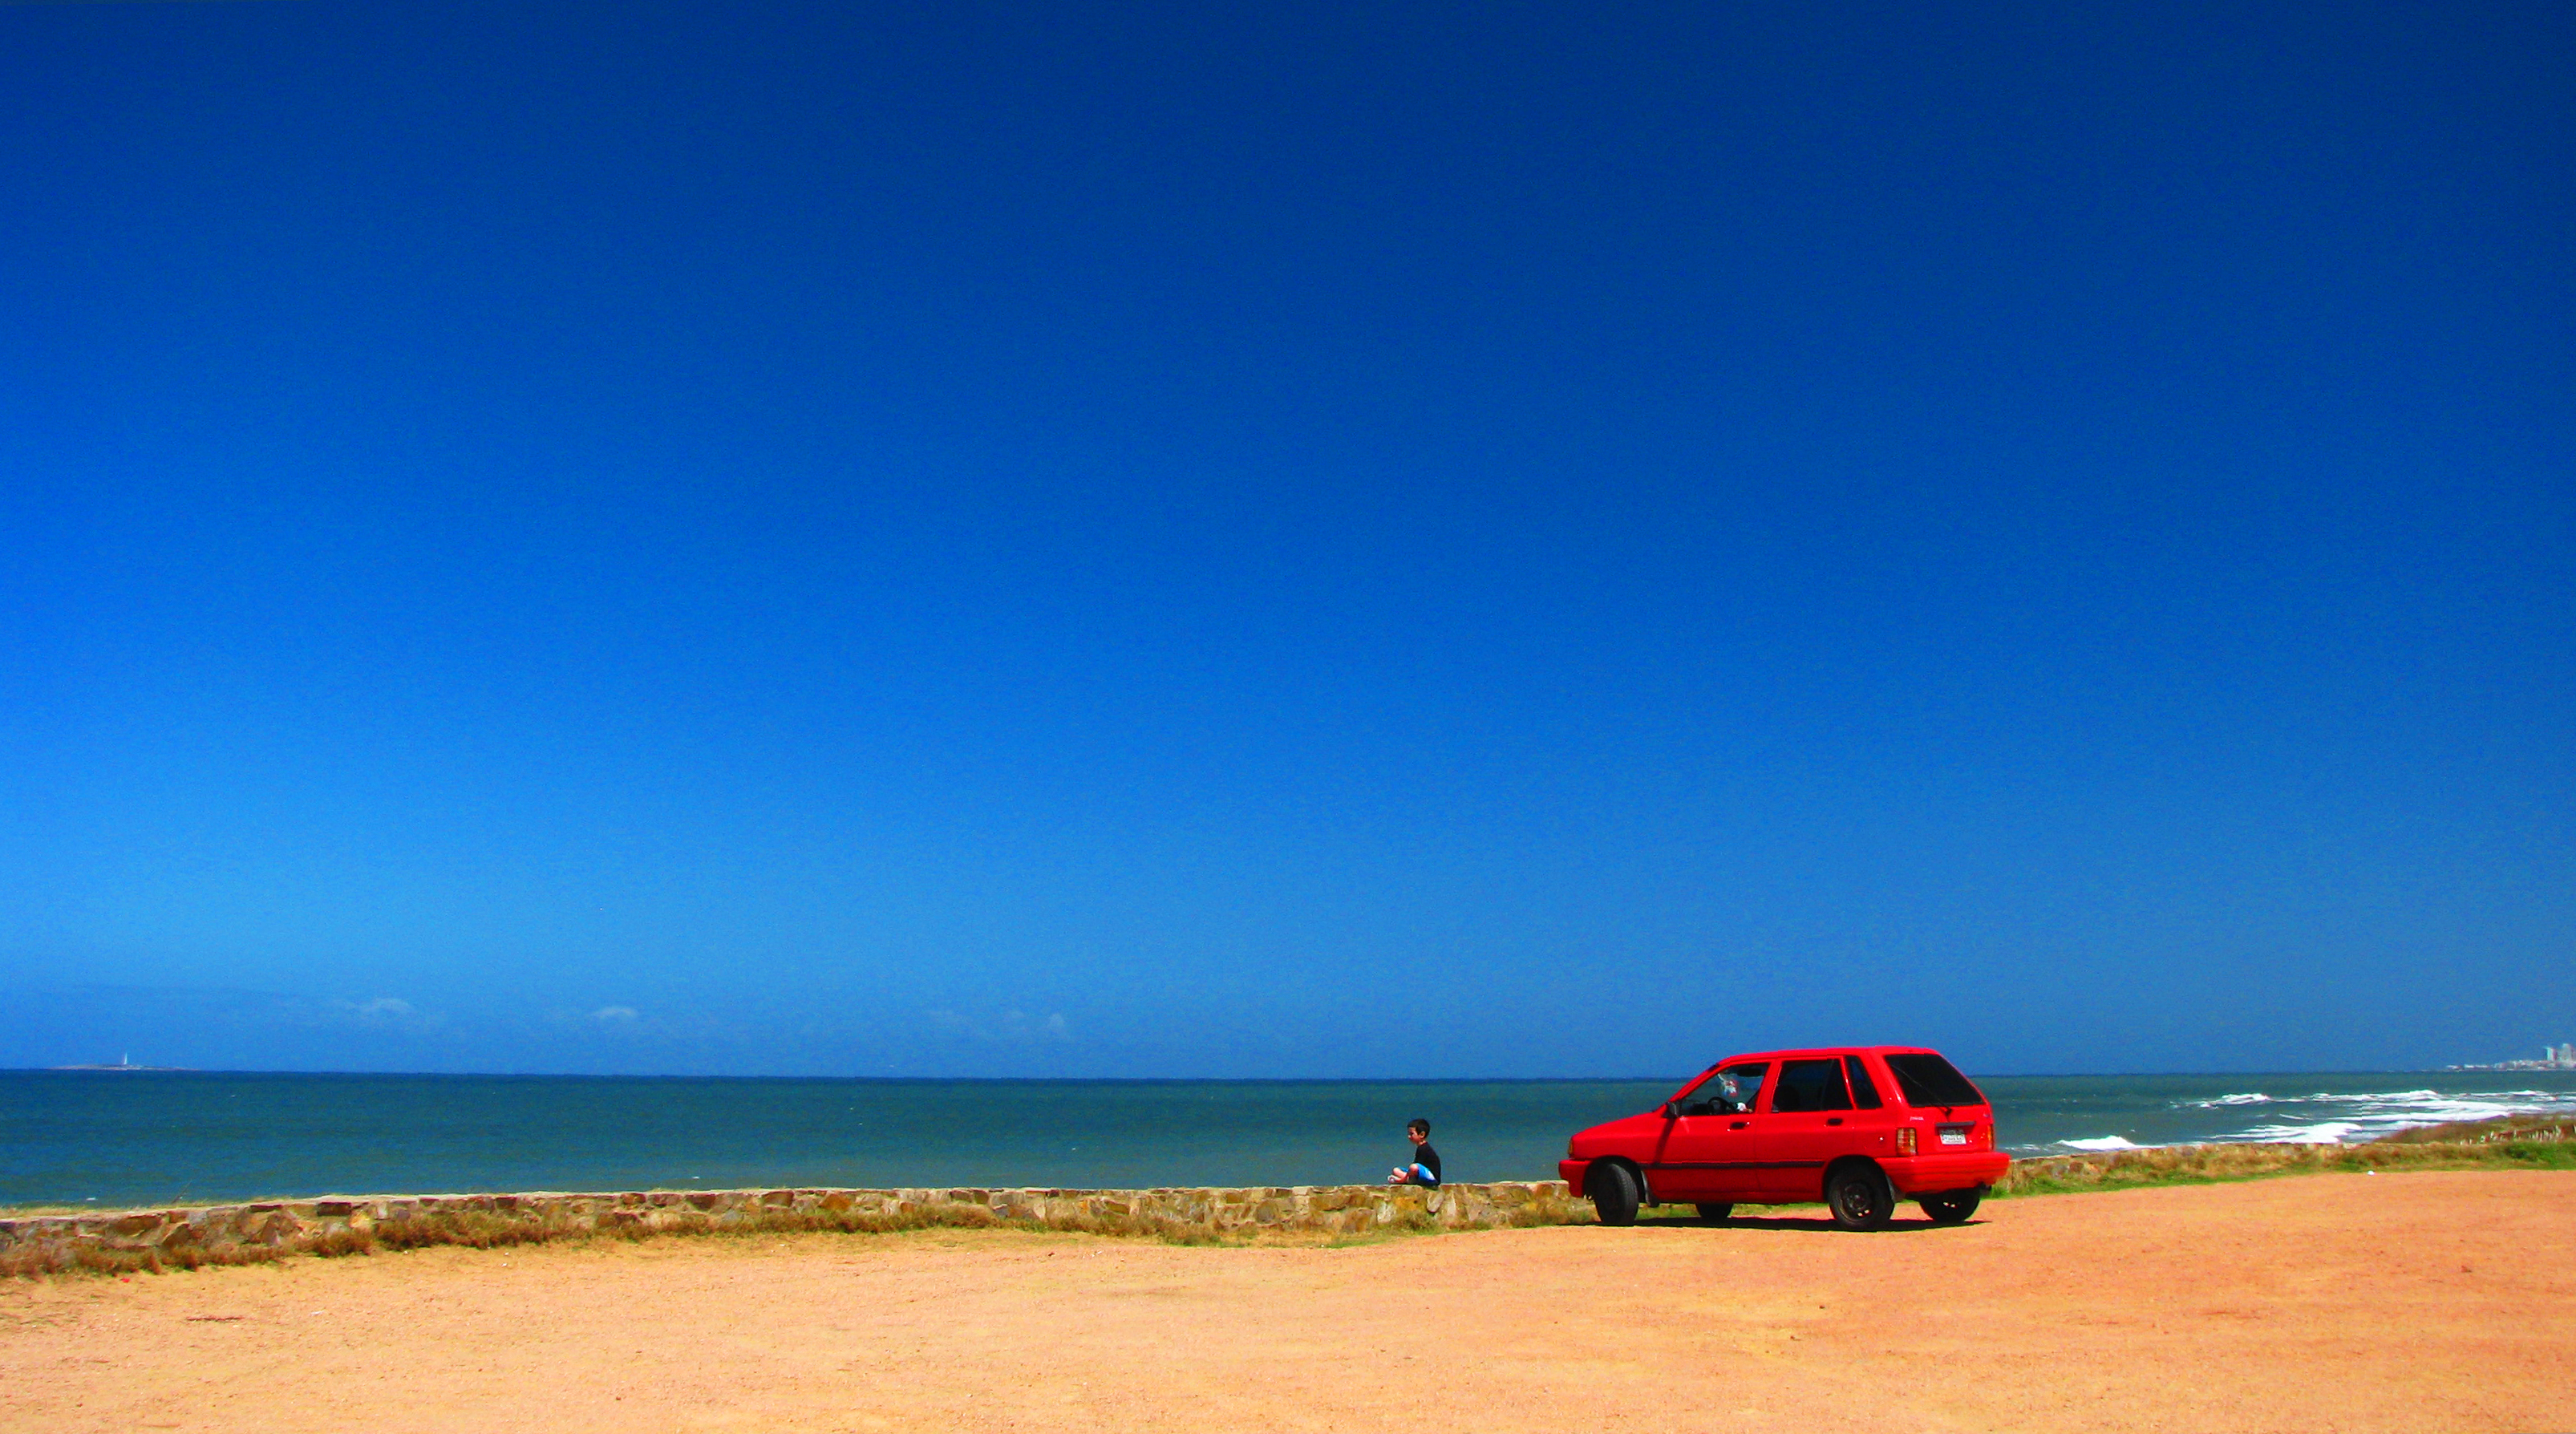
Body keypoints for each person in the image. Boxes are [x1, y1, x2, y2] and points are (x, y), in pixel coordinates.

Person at [1387, 1118, 1441, 1188]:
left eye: (1411, 1134)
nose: (1409, 1137)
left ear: (1422, 1134)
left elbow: (1415, 1167)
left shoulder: (1425, 1149)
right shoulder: (1420, 1148)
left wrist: (1402, 1179)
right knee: (1396, 1170)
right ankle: (1409, 1180)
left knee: (1413, 1167)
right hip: (1420, 1175)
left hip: (1431, 1178)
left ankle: (1405, 1180)